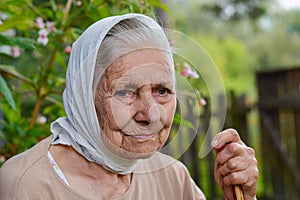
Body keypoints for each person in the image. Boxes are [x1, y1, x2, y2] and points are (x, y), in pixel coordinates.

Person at [0, 13, 258, 200]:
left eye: (162, 91)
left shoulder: (172, 178)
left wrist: (241, 198)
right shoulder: (27, 184)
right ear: (84, 99)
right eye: (125, 92)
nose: (150, 114)